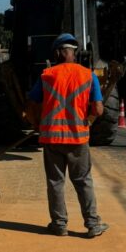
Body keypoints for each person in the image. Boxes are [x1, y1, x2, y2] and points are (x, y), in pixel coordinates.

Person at [27, 33, 109, 238]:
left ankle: (59, 224)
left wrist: (36, 124)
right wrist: (87, 122)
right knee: (83, 180)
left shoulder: (47, 75)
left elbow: (31, 105)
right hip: (78, 139)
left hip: (52, 139)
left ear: (57, 53)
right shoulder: (88, 75)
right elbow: (98, 110)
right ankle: (92, 225)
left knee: (55, 182)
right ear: (74, 52)